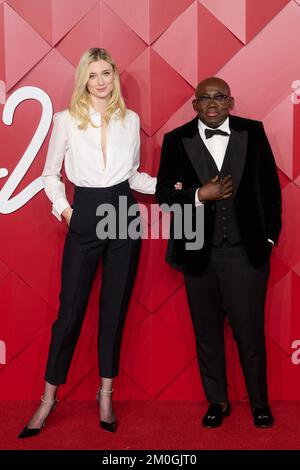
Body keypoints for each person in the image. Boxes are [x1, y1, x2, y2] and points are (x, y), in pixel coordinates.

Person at [18, 47, 173, 437]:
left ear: (115, 77)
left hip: (124, 214)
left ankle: (106, 394)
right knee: (69, 313)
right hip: (85, 213)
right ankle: (48, 398)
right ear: (83, 80)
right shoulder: (65, 120)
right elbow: (50, 175)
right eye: (93, 74)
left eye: (107, 73)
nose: (101, 81)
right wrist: (67, 212)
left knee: (113, 310)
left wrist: (172, 188)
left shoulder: (130, 119)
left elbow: (134, 176)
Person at [155, 77, 282, 428]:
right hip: (198, 255)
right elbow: (164, 194)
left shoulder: (252, 133)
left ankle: (259, 402)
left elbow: (270, 190)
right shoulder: (176, 140)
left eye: (219, 97)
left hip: (245, 255)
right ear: (194, 104)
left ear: (230, 102)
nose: (212, 103)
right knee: (206, 333)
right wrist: (198, 195)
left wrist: (269, 239)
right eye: (205, 98)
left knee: (249, 333)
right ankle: (217, 401)